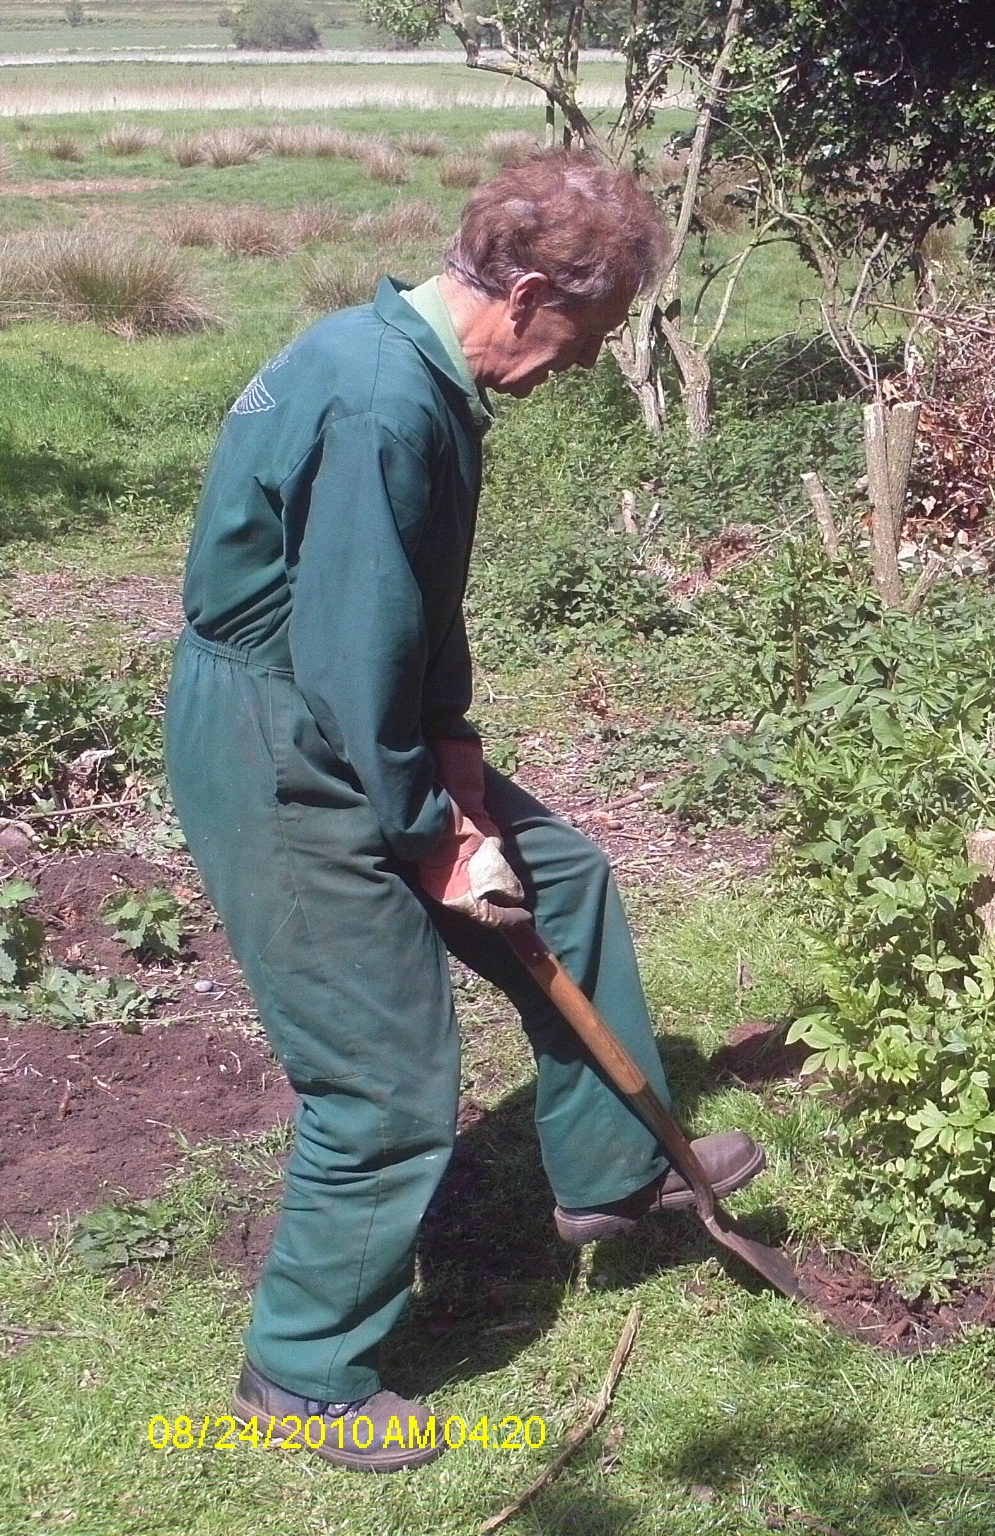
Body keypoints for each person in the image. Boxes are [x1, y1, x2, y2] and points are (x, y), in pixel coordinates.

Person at [167, 153, 768, 1472]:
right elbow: (347, 657)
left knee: (567, 880)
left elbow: (406, 611)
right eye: (586, 336)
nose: (578, 365)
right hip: (283, 737)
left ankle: (615, 1173)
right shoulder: (383, 404)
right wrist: (439, 837)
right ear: (532, 291)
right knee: (382, 1078)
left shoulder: (409, 364)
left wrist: (462, 757)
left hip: (358, 703)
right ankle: (304, 1368)